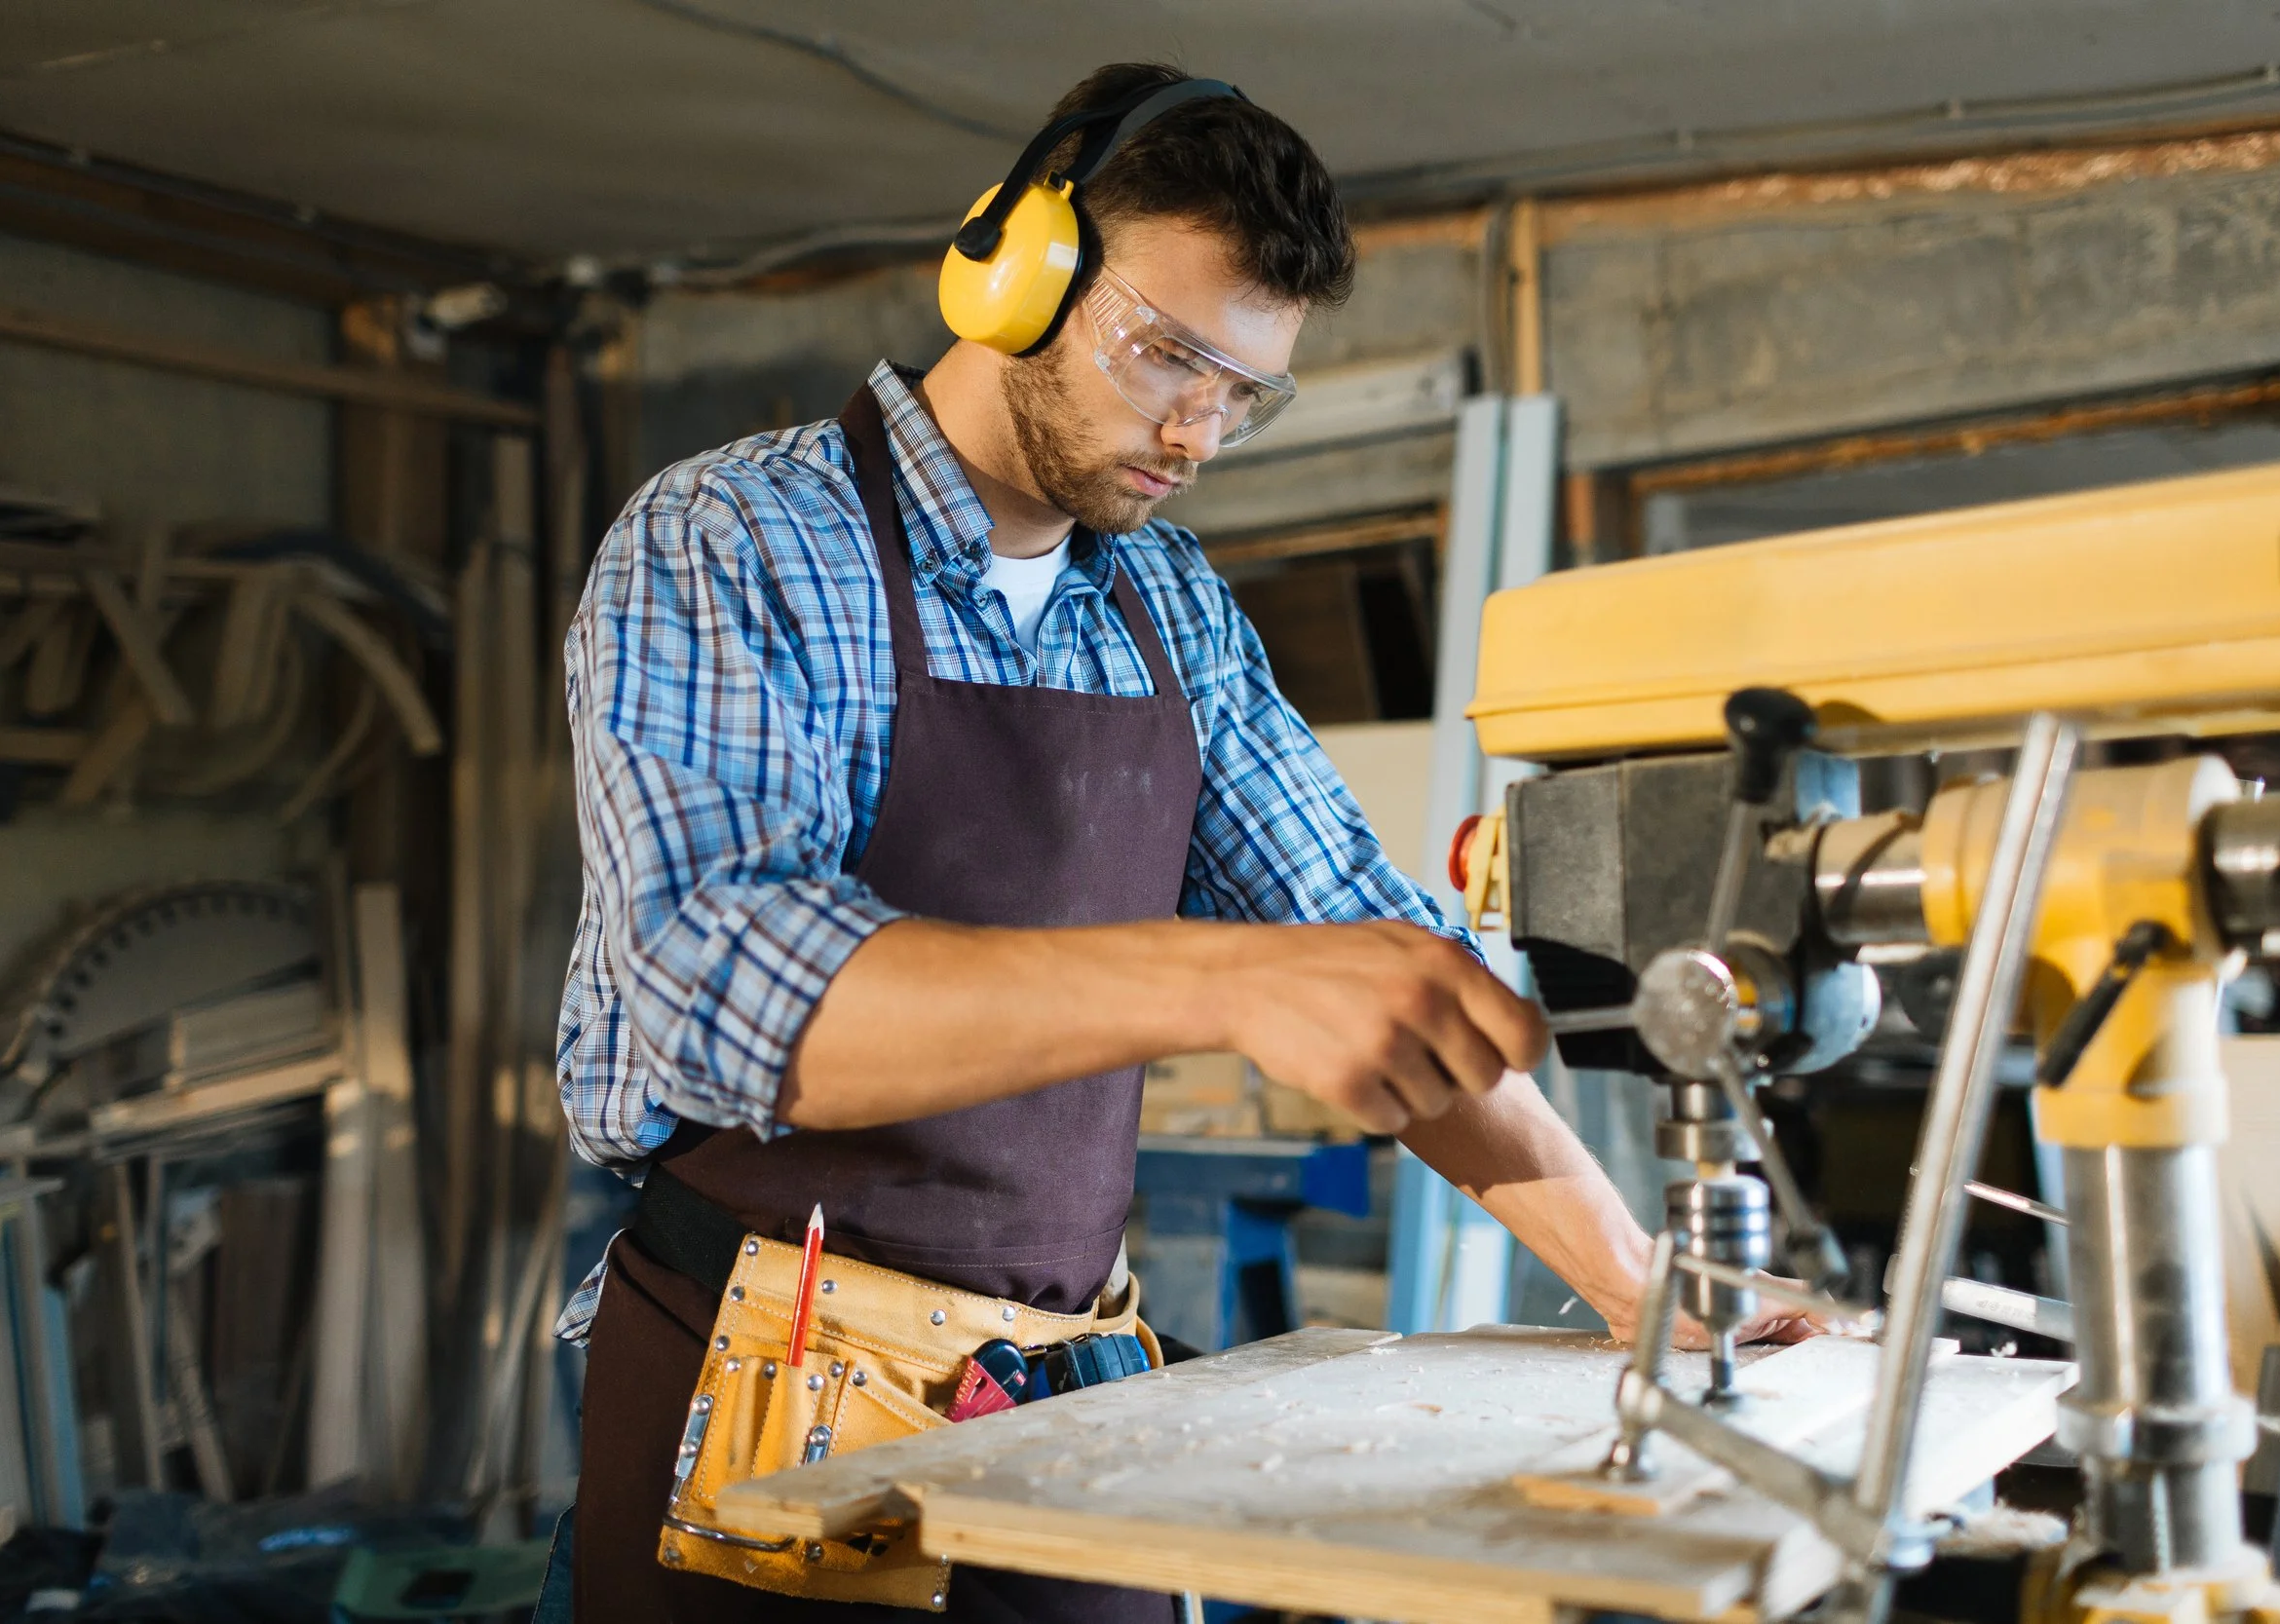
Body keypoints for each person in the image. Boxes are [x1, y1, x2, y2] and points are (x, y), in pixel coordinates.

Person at [554, 61, 1816, 1624]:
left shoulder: (1167, 606)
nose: (1198, 429)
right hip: (758, 1402)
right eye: (1165, 353)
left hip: (1059, 1387)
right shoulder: (730, 539)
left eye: (1244, 390)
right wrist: (1220, 977)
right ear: (1014, 273)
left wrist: (1638, 1280)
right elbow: (719, 985)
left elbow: (1374, 949)